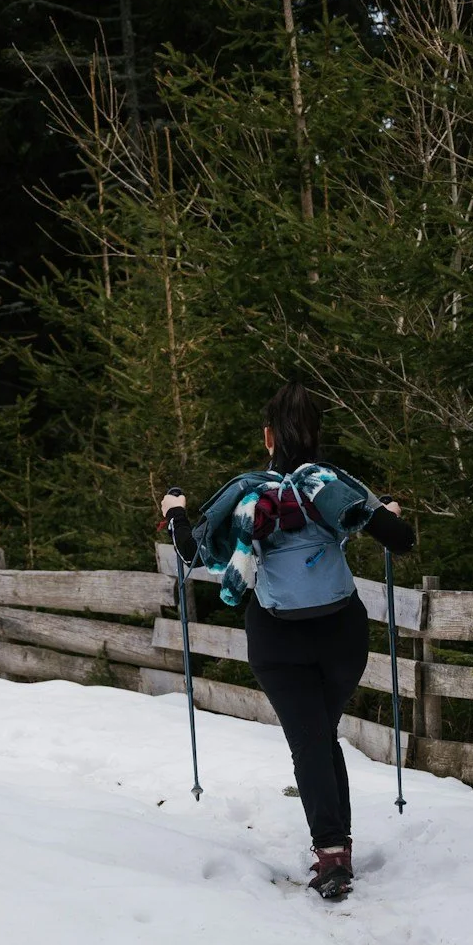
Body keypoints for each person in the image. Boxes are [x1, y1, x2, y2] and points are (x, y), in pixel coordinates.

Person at [160, 382, 415, 901]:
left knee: (310, 739)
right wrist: (386, 511)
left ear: (268, 436)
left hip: (277, 638)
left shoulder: (246, 492)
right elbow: (400, 539)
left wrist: (175, 511)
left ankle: (331, 855)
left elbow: (191, 555)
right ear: (317, 433)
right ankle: (336, 845)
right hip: (343, 633)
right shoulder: (334, 486)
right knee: (319, 733)